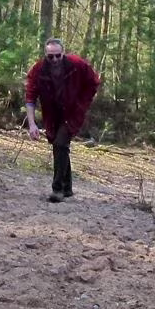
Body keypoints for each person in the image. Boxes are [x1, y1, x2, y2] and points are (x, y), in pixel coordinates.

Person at [24, 38, 101, 203]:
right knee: (59, 145)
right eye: (50, 56)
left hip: (73, 111)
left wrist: (83, 102)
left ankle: (57, 189)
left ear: (63, 53)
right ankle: (67, 188)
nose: (54, 60)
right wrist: (32, 124)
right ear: (46, 55)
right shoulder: (38, 70)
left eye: (57, 56)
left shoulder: (77, 65)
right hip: (52, 113)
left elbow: (93, 82)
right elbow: (30, 97)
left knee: (60, 144)